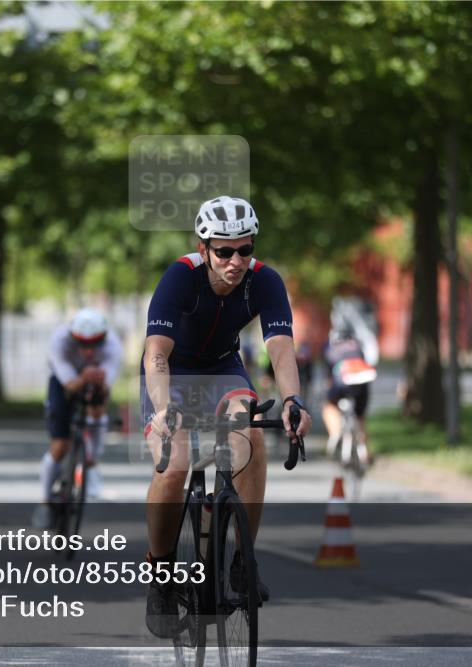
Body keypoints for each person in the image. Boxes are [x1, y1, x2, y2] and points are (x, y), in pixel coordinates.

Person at [141, 195, 311, 638]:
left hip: (221, 369)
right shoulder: (180, 278)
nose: (236, 260)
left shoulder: (265, 282)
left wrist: (293, 401)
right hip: (173, 375)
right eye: (223, 250)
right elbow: (156, 354)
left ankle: (239, 562)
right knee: (175, 463)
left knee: (250, 436)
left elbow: (281, 349)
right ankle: (160, 573)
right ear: (203, 249)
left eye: (245, 249)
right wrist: (162, 411)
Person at [32, 308, 123, 530]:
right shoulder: (59, 340)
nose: (89, 351)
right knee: (60, 444)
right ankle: (45, 502)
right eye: (83, 344)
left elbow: (104, 391)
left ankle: (91, 463)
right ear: (73, 338)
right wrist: (83, 378)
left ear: (103, 339)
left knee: (98, 410)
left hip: (95, 378)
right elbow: (70, 385)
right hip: (64, 380)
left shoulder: (113, 347)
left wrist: (97, 388)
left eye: (95, 344)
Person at [320, 323, 375, 466]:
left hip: (342, 381)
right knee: (360, 416)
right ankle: (365, 452)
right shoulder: (358, 347)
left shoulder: (331, 350)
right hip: (363, 381)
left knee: (328, 406)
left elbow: (329, 379)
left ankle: (335, 433)